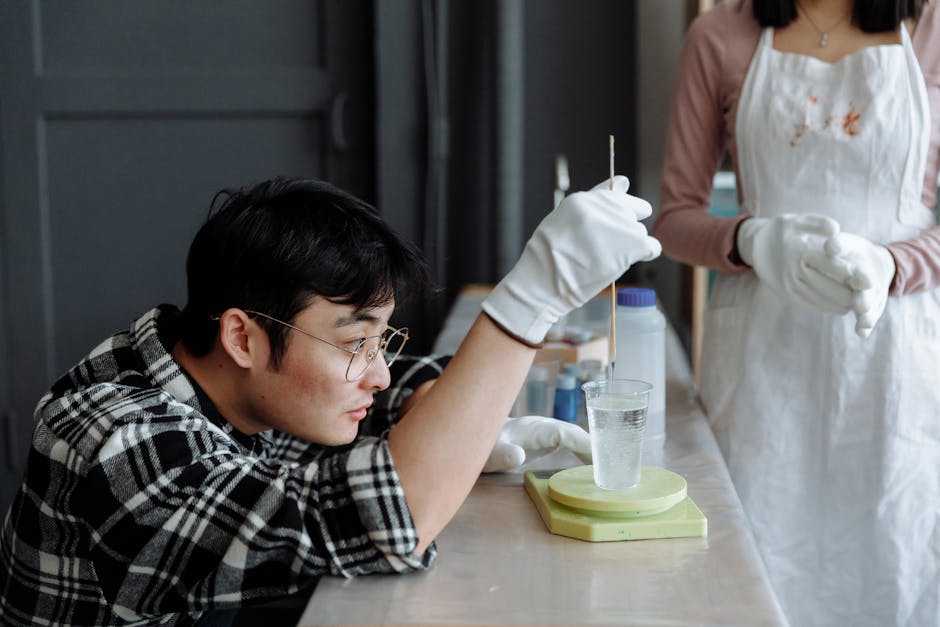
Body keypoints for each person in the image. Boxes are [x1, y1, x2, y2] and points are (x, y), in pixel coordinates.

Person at [0, 176, 659, 625]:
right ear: (243, 337)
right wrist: (528, 301)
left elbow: (400, 379)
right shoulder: (115, 437)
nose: (374, 373)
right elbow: (382, 518)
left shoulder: (215, 365)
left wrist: (452, 416)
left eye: (382, 337)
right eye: (356, 342)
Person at [654, 0, 940, 625]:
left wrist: (892, 264)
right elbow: (674, 219)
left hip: (894, 370)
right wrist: (751, 240)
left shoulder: (933, 28)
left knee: (893, 566)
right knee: (761, 572)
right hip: (762, 370)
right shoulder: (720, 35)